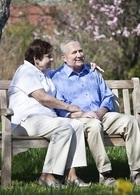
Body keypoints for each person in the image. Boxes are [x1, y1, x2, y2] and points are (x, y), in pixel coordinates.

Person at [51, 40, 140, 186]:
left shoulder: (92, 72)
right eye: (74, 52)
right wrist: (83, 114)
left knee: (130, 121)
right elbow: (60, 109)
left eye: (80, 51)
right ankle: (105, 174)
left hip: (101, 115)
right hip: (78, 120)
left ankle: (137, 173)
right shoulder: (57, 78)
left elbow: (107, 96)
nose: (79, 55)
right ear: (64, 57)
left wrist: (100, 111)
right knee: (94, 125)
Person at [8, 39, 90, 187]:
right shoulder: (25, 71)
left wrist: (88, 66)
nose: (52, 59)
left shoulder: (45, 73)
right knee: (63, 128)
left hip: (43, 120)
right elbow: (42, 97)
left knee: (77, 125)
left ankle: (72, 176)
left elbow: (66, 69)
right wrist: (68, 107)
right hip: (25, 121)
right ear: (36, 59)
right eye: (48, 56)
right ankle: (47, 176)